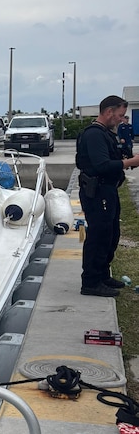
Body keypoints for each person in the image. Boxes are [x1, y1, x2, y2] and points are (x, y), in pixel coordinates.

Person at [75, 95, 139, 297]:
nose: (122, 119)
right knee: (98, 235)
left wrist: (127, 160)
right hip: (97, 191)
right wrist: (130, 162)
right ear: (109, 111)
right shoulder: (94, 135)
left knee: (111, 234)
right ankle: (91, 282)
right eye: (120, 115)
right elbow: (102, 165)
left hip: (108, 190)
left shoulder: (106, 134)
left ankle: (102, 274)